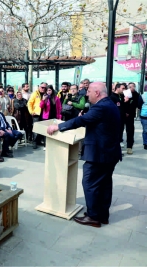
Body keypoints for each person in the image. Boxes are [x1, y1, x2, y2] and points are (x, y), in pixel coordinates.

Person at [47, 82, 122, 228]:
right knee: (105, 184)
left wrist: (58, 126)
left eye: (88, 91)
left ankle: (93, 217)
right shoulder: (110, 104)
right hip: (109, 153)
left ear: (97, 93)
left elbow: (81, 120)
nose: (86, 94)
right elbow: (96, 122)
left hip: (99, 155)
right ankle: (103, 215)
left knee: (90, 183)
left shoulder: (101, 107)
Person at [28, 82, 46, 149]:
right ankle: (34, 142)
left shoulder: (46, 94)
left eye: (44, 87)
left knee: (43, 128)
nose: (43, 89)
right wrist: (31, 112)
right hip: (36, 114)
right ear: (39, 87)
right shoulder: (35, 93)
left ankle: (40, 141)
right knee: (36, 128)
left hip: (44, 114)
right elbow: (29, 103)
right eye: (42, 87)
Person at [123, 82, 139, 154]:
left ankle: (129, 146)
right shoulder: (124, 94)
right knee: (120, 130)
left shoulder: (136, 95)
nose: (131, 88)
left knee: (130, 131)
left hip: (131, 115)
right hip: (122, 115)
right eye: (130, 87)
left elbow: (137, 104)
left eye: (133, 86)